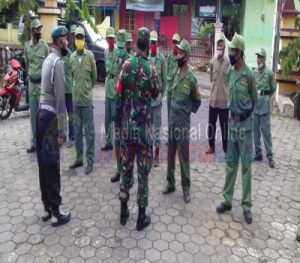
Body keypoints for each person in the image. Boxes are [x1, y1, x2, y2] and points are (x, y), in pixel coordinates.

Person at [115, 27, 159, 231]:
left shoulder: (125, 66)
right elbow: (156, 94)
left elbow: (118, 95)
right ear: (148, 45)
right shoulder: (152, 70)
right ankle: (141, 218)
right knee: (143, 173)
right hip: (143, 133)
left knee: (126, 170)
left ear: (134, 43)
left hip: (126, 131)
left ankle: (123, 211)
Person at [216, 33, 257, 224]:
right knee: (231, 164)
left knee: (246, 167)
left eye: (232, 50)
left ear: (239, 53)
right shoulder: (231, 72)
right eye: (230, 50)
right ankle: (227, 200)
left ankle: (247, 206)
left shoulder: (249, 75)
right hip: (232, 125)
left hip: (245, 127)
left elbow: (254, 100)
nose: (230, 53)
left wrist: (245, 117)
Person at [36, 25, 71, 226]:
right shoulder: (57, 63)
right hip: (50, 119)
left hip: (40, 115)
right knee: (52, 165)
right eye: (66, 40)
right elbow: (60, 100)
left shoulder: (47, 60)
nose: (68, 43)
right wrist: (63, 131)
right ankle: (57, 212)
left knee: (43, 164)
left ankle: (47, 207)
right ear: (60, 41)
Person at [162, 39, 201, 204]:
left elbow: (197, 101)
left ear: (186, 56)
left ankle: (186, 189)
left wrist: (186, 110)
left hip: (183, 123)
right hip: (172, 121)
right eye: (177, 53)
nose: (177, 55)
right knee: (170, 154)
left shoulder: (191, 79)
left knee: (183, 156)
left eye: (180, 53)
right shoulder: (175, 74)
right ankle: (170, 183)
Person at [69, 26, 97, 175]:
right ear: (73, 39)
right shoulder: (72, 58)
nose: (79, 39)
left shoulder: (90, 56)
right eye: (76, 37)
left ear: (84, 40)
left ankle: (90, 161)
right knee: (78, 132)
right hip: (75, 101)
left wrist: (86, 90)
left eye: (81, 37)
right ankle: (79, 158)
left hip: (86, 101)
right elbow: (72, 78)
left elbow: (93, 78)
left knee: (90, 132)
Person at [24, 18, 49, 153]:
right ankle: (35, 143)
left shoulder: (44, 46)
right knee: (33, 117)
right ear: (32, 31)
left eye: (40, 29)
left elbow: (48, 65)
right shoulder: (27, 47)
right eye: (37, 29)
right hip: (32, 86)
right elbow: (27, 64)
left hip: (42, 86)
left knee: (43, 116)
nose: (40, 31)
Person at [110, 29, 131, 183]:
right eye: (119, 47)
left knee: (127, 140)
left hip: (127, 107)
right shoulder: (113, 56)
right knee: (117, 138)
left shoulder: (130, 61)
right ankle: (119, 169)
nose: (121, 50)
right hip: (117, 104)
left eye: (123, 47)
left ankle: (127, 169)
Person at [206, 37, 230, 155]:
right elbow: (211, 79)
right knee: (211, 124)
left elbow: (230, 81)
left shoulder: (229, 63)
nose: (220, 48)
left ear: (224, 48)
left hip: (224, 100)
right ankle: (211, 147)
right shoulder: (213, 61)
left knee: (224, 126)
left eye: (221, 46)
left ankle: (226, 149)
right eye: (218, 47)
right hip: (213, 100)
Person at [253, 48, 276, 168]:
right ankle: (258, 153)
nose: (258, 59)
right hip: (255, 108)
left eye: (260, 57)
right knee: (256, 133)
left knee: (266, 132)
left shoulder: (270, 73)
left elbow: (273, 88)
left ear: (265, 59)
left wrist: (265, 96)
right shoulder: (254, 73)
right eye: (257, 57)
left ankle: (270, 156)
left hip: (265, 108)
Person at [148, 31, 167, 167]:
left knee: (157, 129)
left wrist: (160, 94)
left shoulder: (162, 59)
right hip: (148, 101)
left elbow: (164, 80)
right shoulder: (146, 58)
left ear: (157, 44)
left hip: (157, 101)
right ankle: (148, 153)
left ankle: (156, 155)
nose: (153, 45)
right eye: (151, 42)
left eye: (155, 42)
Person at [101, 27, 116, 151]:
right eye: (109, 38)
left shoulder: (118, 53)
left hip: (116, 89)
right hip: (107, 88)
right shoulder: (105, 52)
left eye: (112, 39)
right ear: (106, 39)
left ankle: (120, 142)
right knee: (107, 120)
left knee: (116, 119)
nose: (110, 41)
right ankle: (108, 142)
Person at [63, 30, 75, 147]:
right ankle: (62, 136)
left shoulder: (70, 55)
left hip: (69, 90)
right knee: (61, 114)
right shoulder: (56, 55)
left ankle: (71, 137)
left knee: (70, 114)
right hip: (59, 90)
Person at [166, 33, 180, 122]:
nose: (175, 45)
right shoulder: (169, 57)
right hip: (169, 90)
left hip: (177, 90)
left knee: (176, 112)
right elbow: (167, 73)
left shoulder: (180, 58)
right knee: (169, 111)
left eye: (176, 43)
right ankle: (170, 129)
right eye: (173, 43)